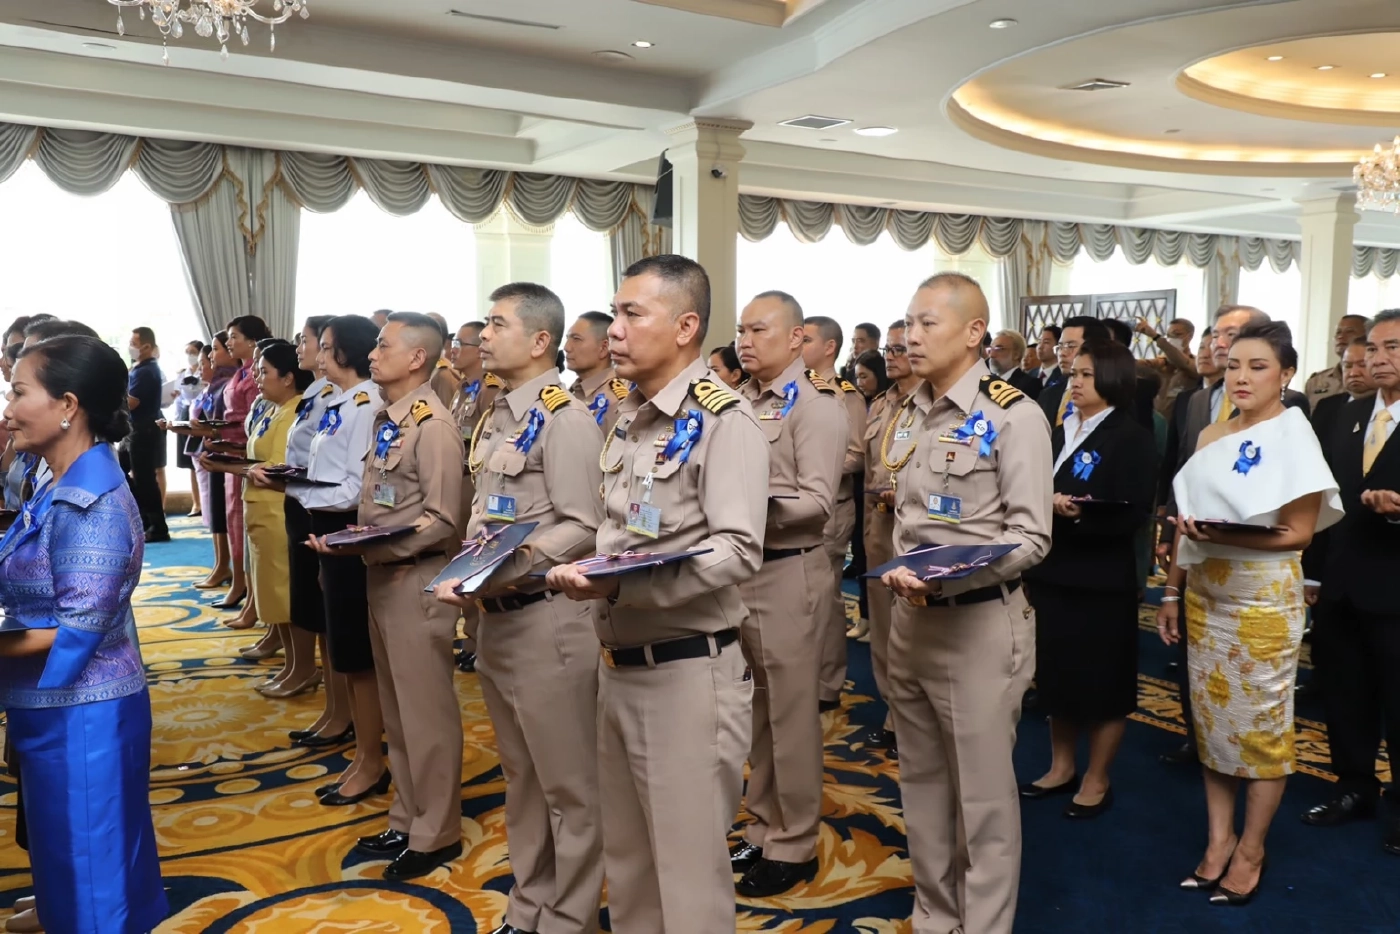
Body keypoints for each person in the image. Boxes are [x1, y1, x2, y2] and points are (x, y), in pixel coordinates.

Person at [546, 255, 766, 934]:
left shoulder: (723, 420)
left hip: (687, 673)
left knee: (689, 882)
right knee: (632, 866)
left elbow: (739, 549)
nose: (613, 329)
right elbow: (625, 531)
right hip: (618, 667)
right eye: (614, 313)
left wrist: (626, 582)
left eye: (631, 314)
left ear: (685, 327)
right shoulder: (630, 415)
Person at [879, 272, 1051, 934]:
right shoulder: (912, 408)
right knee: (921, 784)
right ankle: (935, 914)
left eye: (927, 323)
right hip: (910, 620)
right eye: (908, 323)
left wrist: (947, 578)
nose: (910, 336)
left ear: (975, 332)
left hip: (978, 625)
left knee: (982, 798)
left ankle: (983, 923)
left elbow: (1032, 537)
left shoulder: (1013, 415)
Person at [435, 284, 604, 933]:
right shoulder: (499, 413)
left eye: (497, 324)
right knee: (522, 779)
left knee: (568, 788)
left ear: (539, 341)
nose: (482, 334)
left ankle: (570, 917)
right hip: (496, 621)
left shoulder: (566, 418)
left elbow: (584, 524)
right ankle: (530, 905)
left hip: (546, 619)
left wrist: (510, 562)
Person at [1158, 321, 1341, 904]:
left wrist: (1222, 536)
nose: (1241, 376)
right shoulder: (1212, 433)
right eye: (1233, 364)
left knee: (1260, 730)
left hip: (1262, 599)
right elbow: (1187, 524)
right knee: (1212, 723)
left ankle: (1252, 848)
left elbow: (1299, 533)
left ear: (1285, 374)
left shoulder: (1294, 434)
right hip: (1204, 593)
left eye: (1257, 366)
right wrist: (1171, 591)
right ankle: (1219, 840)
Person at [0, 334, 168, 934]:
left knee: (93, 874)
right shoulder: (58, 480)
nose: (8, 409)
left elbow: (79, 626)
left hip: (84, 713)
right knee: (70, 855)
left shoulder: (89, 501)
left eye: (19, 392)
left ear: (67, 405)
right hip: (57, 705)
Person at [314, 312, 467, 881]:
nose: (373, 354)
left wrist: (374, 542)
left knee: (426, 715)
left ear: (417, 358)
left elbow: (443, 518)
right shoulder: (387, 416)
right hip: (380, 576)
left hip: (415, 578)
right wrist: (357, 540)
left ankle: (437, 831)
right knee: (398, 713)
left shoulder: (433, 425)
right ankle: (406, 817)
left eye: (383, 346)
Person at [730, 292, 845, 896]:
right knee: (756, 709)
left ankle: (795, 841)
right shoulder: (739, 400)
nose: (745, 341)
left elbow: (818, 503)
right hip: (742, 570)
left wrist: (744, 507)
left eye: (759, 330)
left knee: (792, 716)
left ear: (797, 337)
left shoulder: (815, 405)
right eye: (741, 331)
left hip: (788, 570)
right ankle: (762, 822)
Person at [1020, 341, 1158, 818]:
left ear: (1113, 380)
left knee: (1102, 682)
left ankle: (1097, 777)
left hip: (1101, 579)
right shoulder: (1062, 430)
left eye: (1085, 375)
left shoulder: (1131, 436)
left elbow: (1134, 513)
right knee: (1056, 676)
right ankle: (1061, 767)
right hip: (1053, 571)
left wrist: (1078, 512)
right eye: (1073, 374)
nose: (1074, 383)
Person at [1300, 309, 1400, 857]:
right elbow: (1324, 500)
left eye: (1393, 348)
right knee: (1346, 695)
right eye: (1374, 348)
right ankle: (1354, 787)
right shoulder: (1345, 413)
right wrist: (1312, 573)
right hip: (1340, 584)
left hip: (1394, 590)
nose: (1379, 359)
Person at [297, 316, 388, 809]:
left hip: (348, 530)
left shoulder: (366, 404)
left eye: (327, 346)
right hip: (327, 528)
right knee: (343, 648)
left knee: (356, 653)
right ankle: (362, 752)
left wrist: (297, 490)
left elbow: (355, 488)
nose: (319, 355)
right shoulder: (340, 401)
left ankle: (371, 760)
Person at [248, 316, 352, 741]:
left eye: (312, 342)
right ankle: (333, 707)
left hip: (322, 508)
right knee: (312, 607)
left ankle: (342, 712)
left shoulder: (352, 401)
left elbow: (339, 473)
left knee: (331, 618)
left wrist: (290, 484)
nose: (302, 348)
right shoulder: (319, 393)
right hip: (303, 502)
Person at [859, 320, 920, 751]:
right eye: (890, 351)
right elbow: (869, 467)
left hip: (916, 529)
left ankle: (912, 715)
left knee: (912, 629)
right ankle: (892, 709)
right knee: (882, 626)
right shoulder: (882, 403)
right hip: (879, 525)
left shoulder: (933, 404)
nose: (892, 357)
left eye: (901, 350)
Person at [802, 314, 866, 714]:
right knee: (798, 598)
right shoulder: (795, 390)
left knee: (824, 600)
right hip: (792, 510)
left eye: (807, 339)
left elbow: (857, 456)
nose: (798, 345)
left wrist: (809, 467)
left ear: (829, 348)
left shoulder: (846, 395)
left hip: (829, 509)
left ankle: (827, 683)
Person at [449, 319, 503, 673]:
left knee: (476, 562)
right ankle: (470, 637)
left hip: (476, 483)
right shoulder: (462, 388)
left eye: (460, 343)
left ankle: (477, 640)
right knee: (462, 560)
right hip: (458, 483)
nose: (453, 349)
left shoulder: (489, 388)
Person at [122, 327, 170, 543]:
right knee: (123, 471)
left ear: (147, 346)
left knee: (145, 480)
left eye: (134, 343)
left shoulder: (147, 371)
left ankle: (157, 526)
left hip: (143, 430)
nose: (130, 347)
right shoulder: (138, 368)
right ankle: (143, 519)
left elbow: (132, 402)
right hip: (133, 430)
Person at [566, 310, 629, 435]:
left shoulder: (617, 400)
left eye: (576, 339)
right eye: (568, 338)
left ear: (604, 348)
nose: (567, 347)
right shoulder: (571, 392)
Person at [1039, 316, 1110, 428]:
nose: (1062, 353)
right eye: (1060, 347)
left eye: (1071, 346)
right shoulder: (1047, 395)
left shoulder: (1109, 396)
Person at [1135, 316, 1200, 418]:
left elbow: (1181, 361)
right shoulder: (1161, 362)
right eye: (1168, 335)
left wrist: (1155, 336)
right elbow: (1135, 366)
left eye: (1177, 334)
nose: (1172, 339)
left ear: (1190, 336)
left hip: (1181, 422)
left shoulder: (1196, 364)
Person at [1304, 314, 1369, 403]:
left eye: (1349, 332)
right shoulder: (1317, 381)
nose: (1341, 336)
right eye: (1338, 332)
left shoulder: (1375, 377)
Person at [174, 340, 206, 517]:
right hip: (186, 414)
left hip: (202, 414)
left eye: (193, 352)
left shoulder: (206, 371)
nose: (189, 356)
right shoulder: (182, 374)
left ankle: (205, 501)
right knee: (190, 463)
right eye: (187, 352)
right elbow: (178, 400)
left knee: (202, 458)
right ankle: (196, 502)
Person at [987, 329, 1042, 400]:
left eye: (998, 349)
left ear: (1016, 355)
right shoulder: (988, 382)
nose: (991, 355)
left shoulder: (1030, 384)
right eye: (990, 349)